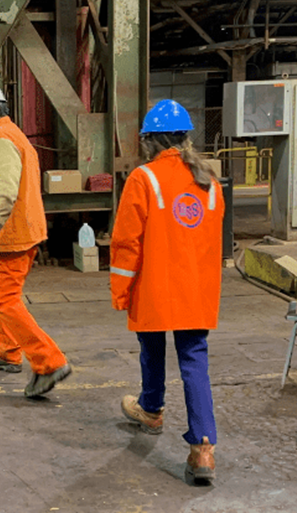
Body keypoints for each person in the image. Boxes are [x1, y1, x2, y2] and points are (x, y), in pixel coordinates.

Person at [110, 99, 225, 483]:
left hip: (156, 287)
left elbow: (126, 243)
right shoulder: (209, 183)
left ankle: (152, 409)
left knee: (152, 348)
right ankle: (203, 449)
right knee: (194, 360)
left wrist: (121, 290)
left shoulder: (143, 179)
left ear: (149, 141)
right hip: (196, 290)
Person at [0, 81, 71, 398]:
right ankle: (6, 352)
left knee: (5, 301)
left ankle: (49, 363)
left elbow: (3, 194)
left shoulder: (0, 141)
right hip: (18, 233)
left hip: (11, 236)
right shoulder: (9, 135)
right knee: (1, 296)